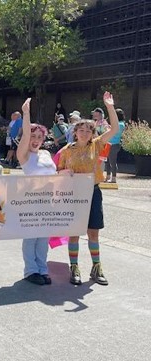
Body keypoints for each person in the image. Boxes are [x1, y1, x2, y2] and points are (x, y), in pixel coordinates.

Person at [57, 91, 119, 286]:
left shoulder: (96, 145)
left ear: (92, 133)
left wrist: (109, 106)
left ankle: (96, 267)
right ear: (75, 132)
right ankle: (74, 268)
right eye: (81, 130)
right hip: (74, 195)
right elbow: (59, 173)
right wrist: (64, 174)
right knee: (74, 232)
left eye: (88, 130)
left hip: (93, 192)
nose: (84, 133)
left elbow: (115, 128)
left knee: (94, 232)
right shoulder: (67, 150)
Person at [16, 98, 57, 285]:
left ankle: (42, 269)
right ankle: (30, 270)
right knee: (31, 238)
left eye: (39, 137)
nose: (36, 140)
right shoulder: (24, 156)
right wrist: (26, 114)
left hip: (49, 201)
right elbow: (25, 136)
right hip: (31, 201)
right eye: (33, 137)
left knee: (43, 239)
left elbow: (54, 175)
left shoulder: (46, 154)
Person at [104, 108, 126, 183]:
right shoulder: (117, 124)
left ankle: (113, 178)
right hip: (109, 143)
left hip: (114, 144)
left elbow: (114, 131)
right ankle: (108, 176)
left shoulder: (121, 124)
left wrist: (108, 127)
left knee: (112, 161)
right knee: (106, 160)